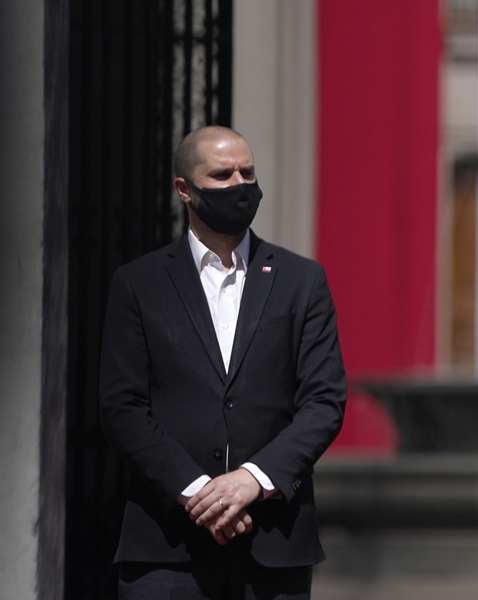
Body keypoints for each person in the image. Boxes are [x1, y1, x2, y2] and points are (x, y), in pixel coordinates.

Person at [99, 125, 347, 599]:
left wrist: (253, 480)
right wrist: (199, 493)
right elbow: (122, 406)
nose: (240, 185)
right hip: (167, 547)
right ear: (185, 189)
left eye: (247, 173)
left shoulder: (301, 280)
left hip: (273, 543)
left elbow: (324, 400)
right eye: (222, 175)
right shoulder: (139, 284)